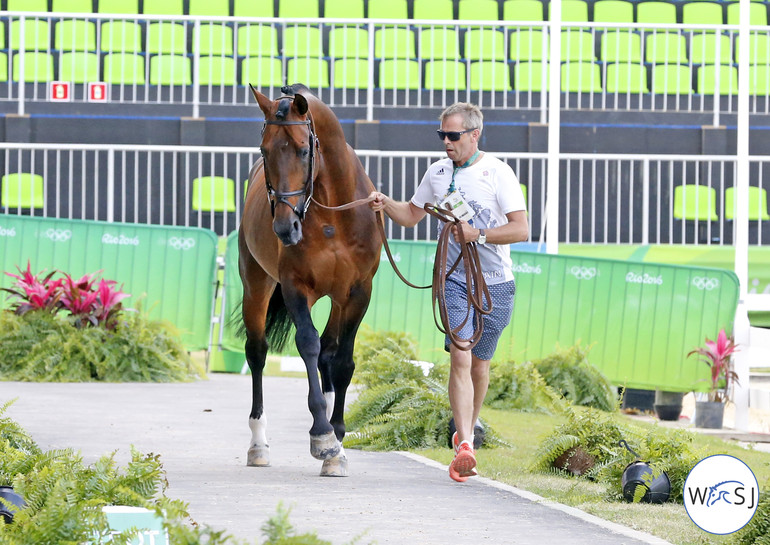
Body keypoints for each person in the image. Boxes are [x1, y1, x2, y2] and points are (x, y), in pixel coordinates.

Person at [369, 102, 528, 483]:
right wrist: (385, 203)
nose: (446, 143)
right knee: (461, 353)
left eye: (453, 136)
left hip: (495, 282)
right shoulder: (437, 173)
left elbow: (521, 230)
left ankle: (465, 430)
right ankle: (467, 445)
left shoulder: (498, 173)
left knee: (480, 363)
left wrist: (480, 234)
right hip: (453, 278)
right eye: (442, 135)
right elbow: (411, 215)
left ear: (475, 135)